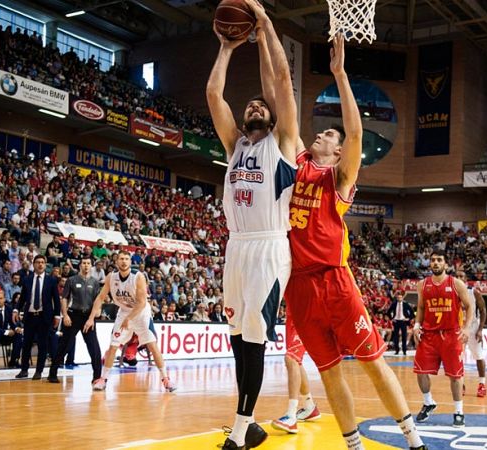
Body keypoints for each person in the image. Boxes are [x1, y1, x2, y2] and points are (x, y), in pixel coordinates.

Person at [270, 33, 426, 449]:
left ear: (338, 153)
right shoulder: (298, 160)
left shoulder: (338, 178)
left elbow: (355, 135)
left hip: (335, 281)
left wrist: (340, 74)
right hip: (299, 284)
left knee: (373, 362)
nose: (321, 135)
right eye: (321, 134)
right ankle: (353, 445)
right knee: (329, 372)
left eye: (329, 137)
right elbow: (282, 98)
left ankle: (413, 440)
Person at [206, 0, 299, 447]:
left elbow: (280, 81)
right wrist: (226, 47)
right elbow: (213, 96)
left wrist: (263, 27)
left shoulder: (283, 142)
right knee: (238, 338)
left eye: (262, 105)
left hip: (268, 246)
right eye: (251, 104)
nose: (256, 106)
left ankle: (241, 430)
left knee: (257, 338)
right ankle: (250, 424)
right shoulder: (235, 144)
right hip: (236, 247)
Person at [84, 251, 175, 392]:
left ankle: (166, 379)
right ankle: (103, 379)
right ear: (116, 261)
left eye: (127, 259)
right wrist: (90, 319)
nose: (124, 261)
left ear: (130, 261)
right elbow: (100, 298)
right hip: (124, 311)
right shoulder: (111, 277)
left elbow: (141, 302)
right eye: (121, 259)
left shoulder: (138, 277)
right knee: (113, 346)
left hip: (141, 313)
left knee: (152, 345)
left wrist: (129, 319)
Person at [413, 251, 472, 427]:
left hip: (451, 334)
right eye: (432, 260)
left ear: (446, 264)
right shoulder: (422, 285)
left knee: (455, 376)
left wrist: (467, 328)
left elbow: (468, 307)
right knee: (421, 372)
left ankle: (459, 411)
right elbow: (421, 308)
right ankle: (428, 402)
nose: (435, 263)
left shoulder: (456, 284)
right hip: (429, 334)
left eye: (439, 260)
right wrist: (417, 326)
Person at [48, 256, 102, 386]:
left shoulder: (95, 282)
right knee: (65, 346)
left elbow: (97, 301)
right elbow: (64, 298)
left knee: (94, 348)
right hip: (73, 316)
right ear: (80, 265)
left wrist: (93, 317)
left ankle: (97, 377)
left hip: (88, 317)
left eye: (88, 263)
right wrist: (65, 315)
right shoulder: (71, 280)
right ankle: (52, 373)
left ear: (91, 266)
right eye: (84, 263)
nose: (86, 265)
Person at [270, 301, 320, 435]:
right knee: (295, 361)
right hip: (293, 311)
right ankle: (310, 407)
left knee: (291, 358)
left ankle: (291, 416)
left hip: (307, 312)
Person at [15, 255, 61, 380]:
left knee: (43, 344)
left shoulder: (51, 280)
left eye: (42, 262)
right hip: (30, 316)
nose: (40, 264)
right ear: (33, 264)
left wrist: (57, 315)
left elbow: (56, 300)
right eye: (38, 262)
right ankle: (24, 370)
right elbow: (23, 298)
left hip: (44, 316)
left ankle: (38, 371)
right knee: (26, 343)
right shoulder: (27, 279)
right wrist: (16, 309)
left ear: (45, 265)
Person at [457, 272, 487, 397]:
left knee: (478, 356)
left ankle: (482, 384)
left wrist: (480, 329)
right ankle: (461, 384)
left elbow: (483, 309)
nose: (458, 279)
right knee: (458, 358)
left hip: (473, 327)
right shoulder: (451, 293)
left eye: (461, 277)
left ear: (465, 279)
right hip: (458, 327)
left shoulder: (474, 292)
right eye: (456, 277)